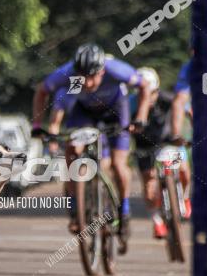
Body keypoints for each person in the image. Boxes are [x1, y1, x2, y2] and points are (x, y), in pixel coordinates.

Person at [31, 43, 153, 253]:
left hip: (116, 109)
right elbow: (42, 91)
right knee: (72, 150)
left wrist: (140, 118)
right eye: (82, 76)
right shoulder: (68, 74)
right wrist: (37, 126)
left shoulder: (116, 69)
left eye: (92, 76)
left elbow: (145, 87)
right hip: (84, 112)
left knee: (117, 163)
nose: (87, 82)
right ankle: (75, 209)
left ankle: (123, 208)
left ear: (102, 71)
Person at [131, 67, 179, 238]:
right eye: (141, 93)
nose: (146, 98)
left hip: (166, 143)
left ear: (156, 90)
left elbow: (184, 108)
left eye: (150, 93)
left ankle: (181, 196)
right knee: (149, 184)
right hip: (143, 147)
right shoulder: (130, 103)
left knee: (182, 167)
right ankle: (157, 221)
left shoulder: (168, 99)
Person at [170, 58, 193, 219]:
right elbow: (180, 104)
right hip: (174, 140)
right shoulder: (188, 68)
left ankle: (184, 197)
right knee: (183, 170)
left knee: (185, 173)